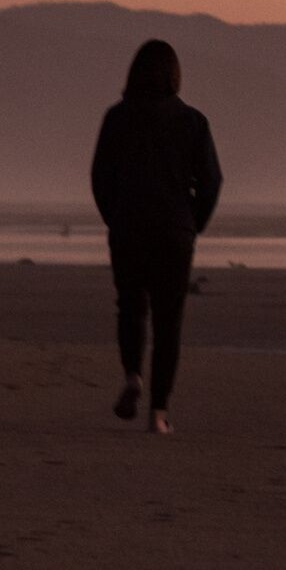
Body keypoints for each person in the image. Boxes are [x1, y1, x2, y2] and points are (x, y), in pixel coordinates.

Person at [88, 38, 222, 435]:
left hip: (128, 227)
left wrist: (114, 217)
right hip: (173, 232)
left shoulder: (117, 118)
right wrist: (193, 222)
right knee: (169, 322)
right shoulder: (193, 122)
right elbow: (212, 180)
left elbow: (99, 177)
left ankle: (133, 375)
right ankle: (159, 413)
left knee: (130, 306)